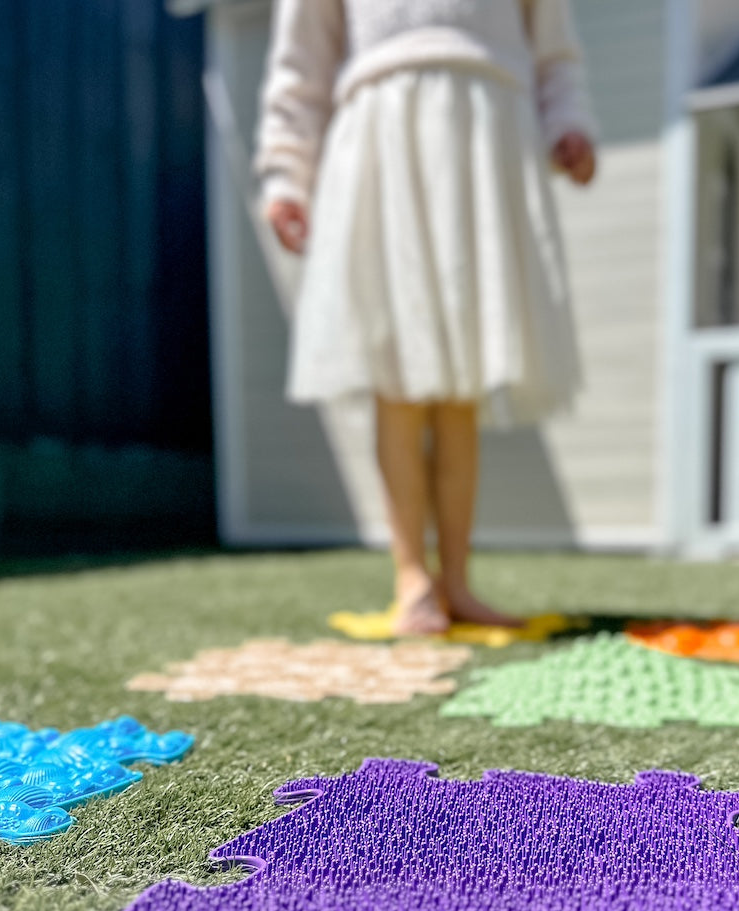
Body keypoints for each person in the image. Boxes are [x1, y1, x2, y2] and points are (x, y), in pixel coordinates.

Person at [255, 0, 597, 635]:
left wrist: (567, 122)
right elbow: (300, 65)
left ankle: (457, 582)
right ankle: (413, 577)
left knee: (458, 382)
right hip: (383, 144)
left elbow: (554, 51)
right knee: (400, 373)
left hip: (486, 142)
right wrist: (285, 173)